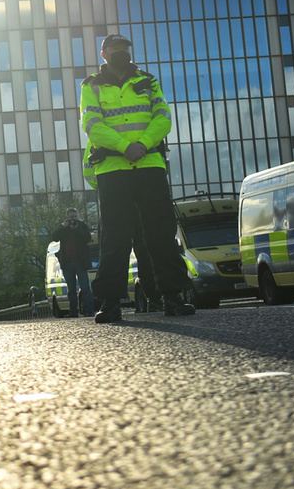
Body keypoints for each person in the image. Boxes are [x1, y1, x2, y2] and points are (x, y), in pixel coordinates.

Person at [80, 34, 194, 323]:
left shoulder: (148, 81)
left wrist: (142, 144)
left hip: (149, 164)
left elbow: (163, 116)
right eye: (116, 50)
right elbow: (91, 124)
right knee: (115, 238)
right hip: (113, 170)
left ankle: (173, 297)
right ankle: (110, 303)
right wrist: (125, 147)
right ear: (104, 54)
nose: (122, 54)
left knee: (161, 235)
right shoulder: (91, 86)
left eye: (125, 50)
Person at [51, 207, 94, 317]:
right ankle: (73, 312)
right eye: (71, 217)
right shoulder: (63, 228)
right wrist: (62, 227)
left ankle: (89, 311)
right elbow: (54, 237)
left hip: (80, 262)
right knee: (71, 290)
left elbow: (87, 238)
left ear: (78, 217)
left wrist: (77, 228)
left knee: (85, 288)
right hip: (67, 263)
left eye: (75, 217)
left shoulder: (81, 226)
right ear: (67, 217)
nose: (73, 219)